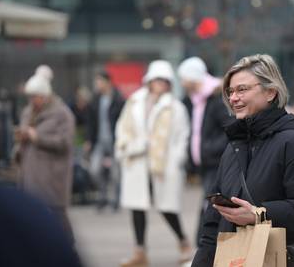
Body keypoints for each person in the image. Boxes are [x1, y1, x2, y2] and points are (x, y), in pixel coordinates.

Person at [191, 54, 294, 266]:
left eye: (242, 89)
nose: (233, 98)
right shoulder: (233, 148)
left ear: (270, 92)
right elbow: (212, 225)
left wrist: (259, 214)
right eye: (230, 91)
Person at [115, 60, 192, 266]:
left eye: (164, 80)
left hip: (163, 166)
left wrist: (176, 162)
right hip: (137, 163)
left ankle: (184, 243)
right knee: (137, 208)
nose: (160, 84)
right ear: (149, 80)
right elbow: (123, 128)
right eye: (157, 79)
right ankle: (140, 252)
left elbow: (181, 138)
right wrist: (132, 147)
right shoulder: (134, 101)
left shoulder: (175, 107)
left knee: (167, 208)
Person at [15, 65, 76, 243]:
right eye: (31, 97)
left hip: (52, 174)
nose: (34, 101)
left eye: (37, 97)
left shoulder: (62, 114)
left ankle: (67, 250)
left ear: (46, 96)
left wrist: (37, 137)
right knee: (31, 215)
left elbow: (65, 143)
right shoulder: (28, 112)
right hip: (30, 172)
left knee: (56, 214)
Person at [177, 57, 233, 246]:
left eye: (183, 78)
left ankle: (202, 247)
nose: (182, 83)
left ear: (192, 78)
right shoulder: (194, 100)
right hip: (206, 163)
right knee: (210, 205)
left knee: (209, 206)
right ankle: (203, 248)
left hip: (216, 163)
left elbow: (229, 130)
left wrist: (208, 150)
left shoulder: (216, 98)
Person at [85, 70, 124, 211]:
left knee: (115, 173)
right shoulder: (95, 100)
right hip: (99, 141)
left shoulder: (119, 99)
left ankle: (115, 199)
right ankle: (102, 196)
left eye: (100, 81)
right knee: (94, 170)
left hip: (116, 141)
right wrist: (88, 140)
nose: (97, 85)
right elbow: (90, 123)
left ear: (108, 82)